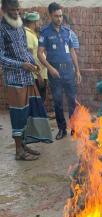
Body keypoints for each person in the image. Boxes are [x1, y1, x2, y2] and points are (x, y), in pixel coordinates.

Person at [0, 0, 52, 161]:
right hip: (14, 79)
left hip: (27, 77)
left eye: (17, 10)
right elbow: (1, 57)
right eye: (12, 10)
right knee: (18, 114)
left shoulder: (20, 27)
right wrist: (21, 64)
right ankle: (18, 152)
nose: (16, 13)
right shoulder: (1, 30)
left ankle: (22, 144)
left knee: (27, 113)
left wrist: (34, 64)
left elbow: (25, 50)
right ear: (3, 9)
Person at [38, 2, 81, 140]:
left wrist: (77, 70)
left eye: (61, 16)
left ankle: (74, 128)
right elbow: (40, 53)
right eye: (56, 16)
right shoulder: (45, 33)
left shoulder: (67, 32)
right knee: (57, 102)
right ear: (50, 15)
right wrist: (50, 68)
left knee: (72, 101)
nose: (59, 19)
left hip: (68, 71)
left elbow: (73, 52)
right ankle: (62, 129)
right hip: (55, 73)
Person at [23, 11, 48, 102]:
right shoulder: (28, 35)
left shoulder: (32, 34)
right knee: (38, 103)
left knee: (40, 102)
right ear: (34, 22)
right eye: (39, 21)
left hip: (38, 74)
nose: (40, 23)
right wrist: (39, 74)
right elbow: (29, 57)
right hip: (36, 76)